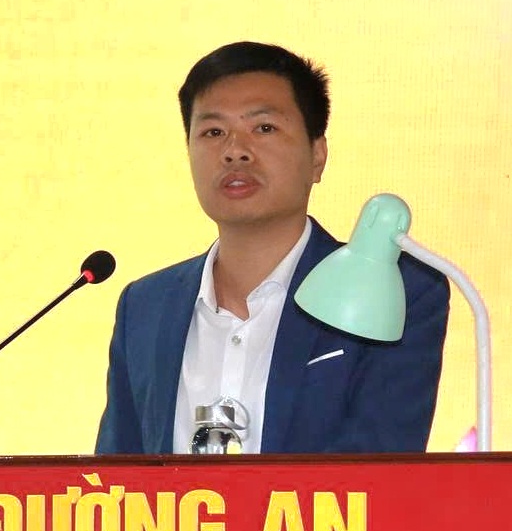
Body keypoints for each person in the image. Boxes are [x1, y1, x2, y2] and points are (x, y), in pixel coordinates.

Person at [95, 42, 448, 456]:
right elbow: (115, 477)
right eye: (213, 132)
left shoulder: (398, 290)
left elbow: (379, 468)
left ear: (317, 155)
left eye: (263, 128)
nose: (234, 151)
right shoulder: (145, 307)